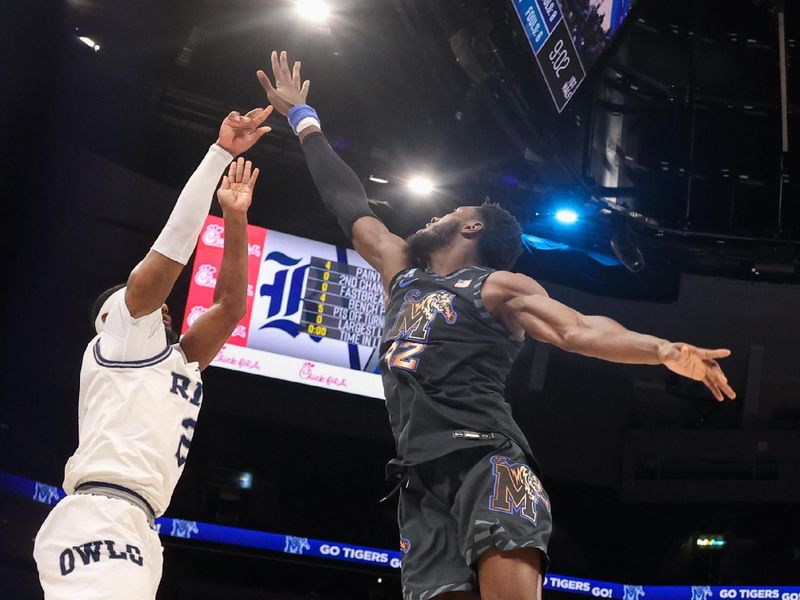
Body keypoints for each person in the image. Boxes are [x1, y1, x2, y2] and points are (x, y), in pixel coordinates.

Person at [259, 51, 736, 600]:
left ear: (472, 226)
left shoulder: (498, 288)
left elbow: (577, 329)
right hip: (419, 481)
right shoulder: (402, 273)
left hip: (487, 460)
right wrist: (304, 120)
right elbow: (349, 205)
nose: (428, 218)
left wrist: (663, 349)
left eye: (443, 214)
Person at [32, 106, 272, 600]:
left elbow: (230, 307)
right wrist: (219, 155)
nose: (163, 310)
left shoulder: (179, 361)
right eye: (145, 305)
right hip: (100, 512)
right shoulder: (119, 337)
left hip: (139, 523)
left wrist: (235, 217)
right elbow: (175, 245)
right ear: (109, 319)